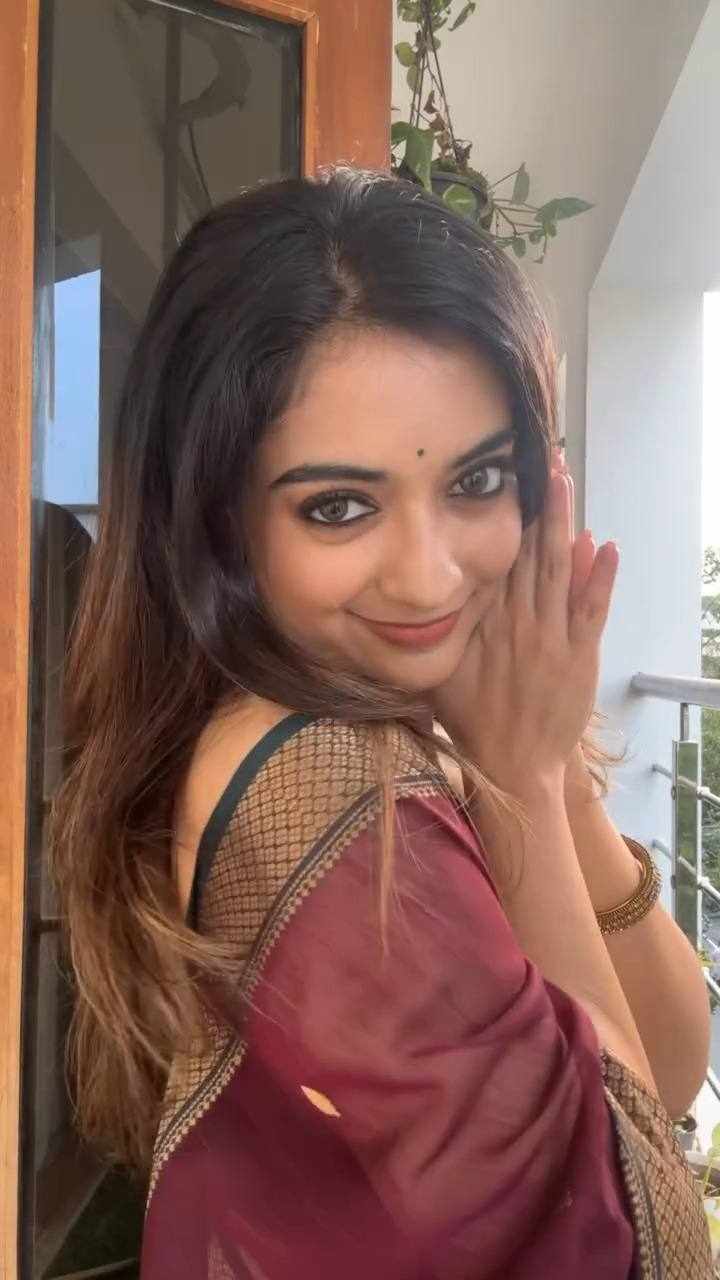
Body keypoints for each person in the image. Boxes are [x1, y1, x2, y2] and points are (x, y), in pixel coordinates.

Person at [51, 168, 713, 1279]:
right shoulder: (331, 790)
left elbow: (672, 1068)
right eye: (339, 506)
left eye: (478, 481)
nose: (428, 574)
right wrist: (521, 778)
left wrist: (550, 773)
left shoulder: (422, 717)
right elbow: (652, 1251)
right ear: (219, 524)